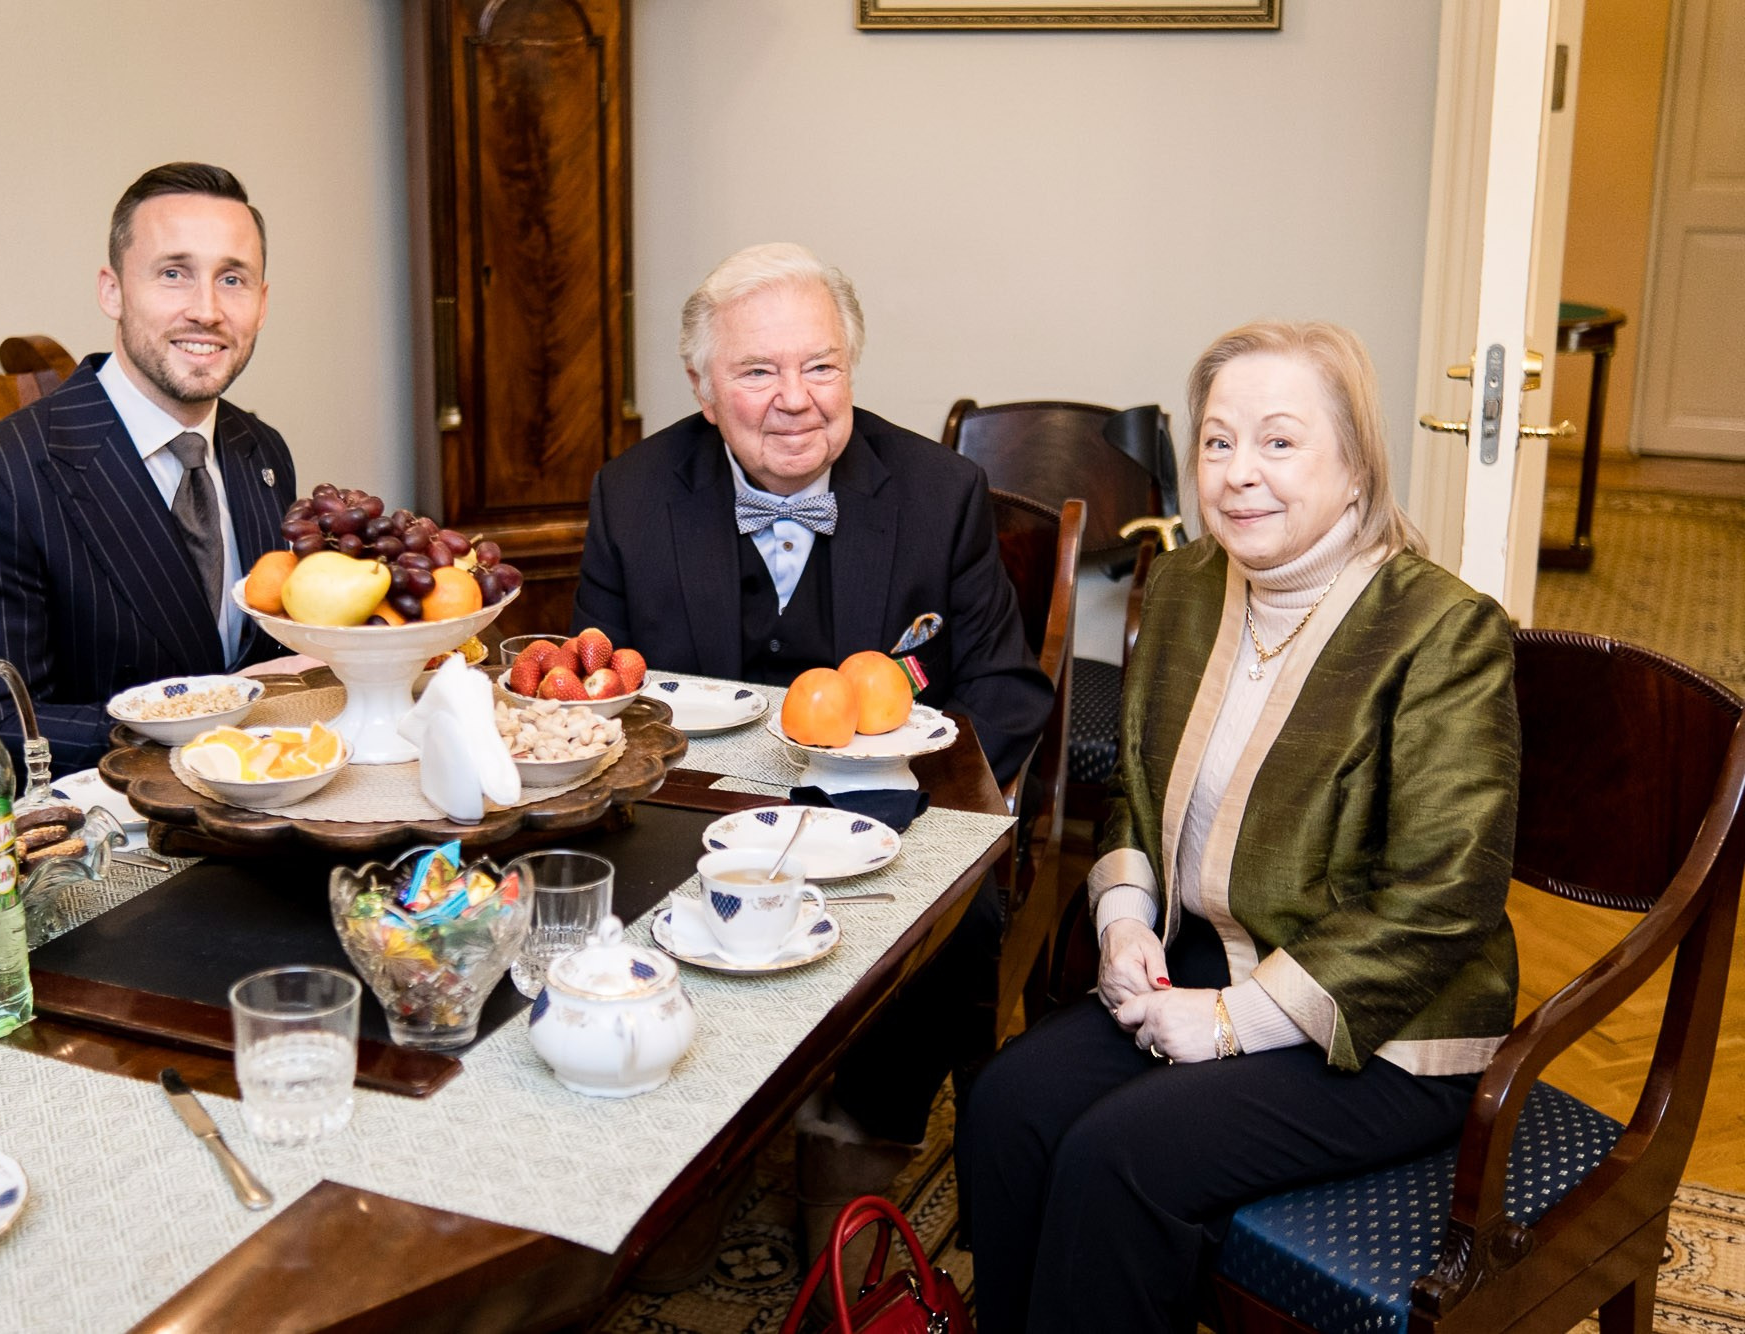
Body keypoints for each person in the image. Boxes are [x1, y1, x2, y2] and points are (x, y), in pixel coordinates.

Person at [958, 320, 1522, 1334]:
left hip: (1376, 1029)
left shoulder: (1442, 631)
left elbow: (1447, 891)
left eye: (1277, 441)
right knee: (1007, 1102)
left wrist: (1230, 1023)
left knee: (1114, 1156)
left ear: (1353, 465)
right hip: (1200, 968)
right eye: (1217, 442)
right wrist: (1126, 922)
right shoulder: (1178, 589)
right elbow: (1128, 785)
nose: (1237, 474)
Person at [573, 242, 1053, 1272]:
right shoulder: (630, 492)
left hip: (888, 822)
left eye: (819, 366)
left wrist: (915, 802)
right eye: (756, 371)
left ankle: (850, 1153)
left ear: (851, 371)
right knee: (587, 896)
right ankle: (677, 1160)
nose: (794, 399)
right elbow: (605, 698)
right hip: (690, 822)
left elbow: (1007, 693)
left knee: (952, 926)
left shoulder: (939, 493)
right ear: (705, 390)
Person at [0, 162, 297, 773]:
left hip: (269, 807)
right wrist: (204, 732)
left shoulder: (263, 450)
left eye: (232, 279)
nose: (206, 309)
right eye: (174, 274)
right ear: (112, 290)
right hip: (114, 836)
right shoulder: (0, 475)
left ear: (261, 305)